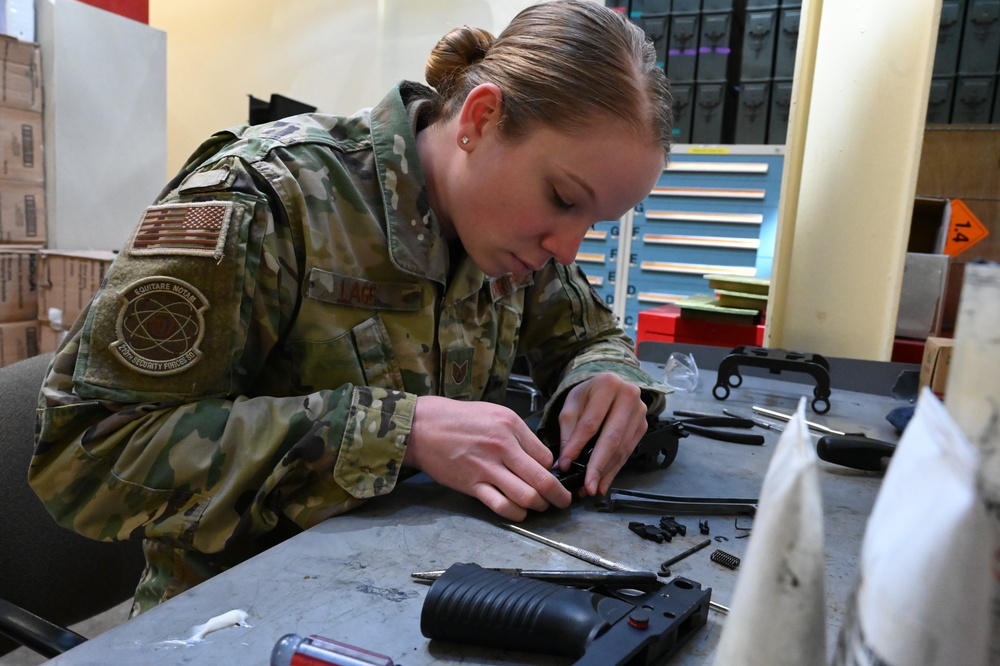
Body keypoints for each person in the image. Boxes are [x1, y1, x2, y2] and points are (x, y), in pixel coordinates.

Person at [29, 0, 673, 616]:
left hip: (416, 587)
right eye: (563, 197)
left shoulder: (511, 235)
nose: (568, 246)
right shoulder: (264, 198)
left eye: (598, 222)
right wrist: (399, 432)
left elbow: (589, 335)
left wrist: (604, 378)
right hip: (233, 614)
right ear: (479, 120)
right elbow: (91, 456)